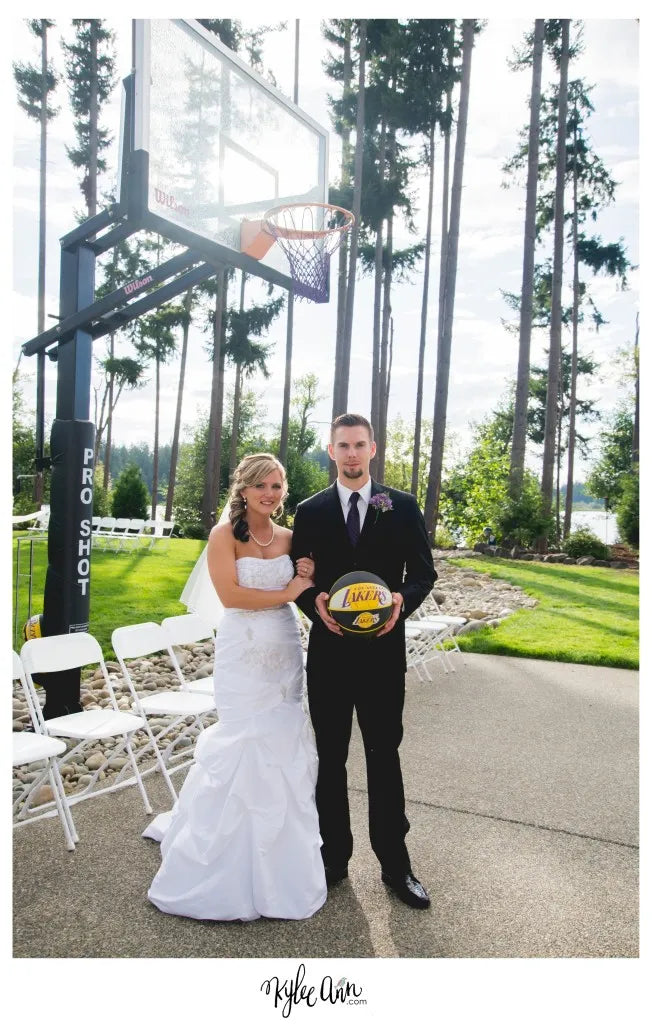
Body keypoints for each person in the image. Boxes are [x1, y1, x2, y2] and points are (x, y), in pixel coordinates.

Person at [143, 453, 327, 922]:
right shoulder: (223, 535)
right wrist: (290, 589)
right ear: (243, 490)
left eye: (278, 486)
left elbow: (309, 586)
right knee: (242, 740)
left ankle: (281, 866)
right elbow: (231, 596)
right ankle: (217, 864)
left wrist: (307, 577)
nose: (270, 494)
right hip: (242, 651)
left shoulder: (289, 537)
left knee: (283, 743)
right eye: (262, 486)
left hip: (284, 647)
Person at [290, 413, 437, 909]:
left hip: (381, 656)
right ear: (330, 452)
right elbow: (300, 580)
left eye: (359, 444)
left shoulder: (400, 505)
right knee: (330, 759)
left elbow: (423, 573)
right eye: (342, 446)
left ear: (373, 449)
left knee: (383, 755)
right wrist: (316, 607)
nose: (351, 453)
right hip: (329, 656)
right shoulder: (309, 511)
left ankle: (396, 866)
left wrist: (401, 600)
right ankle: (333, 860)